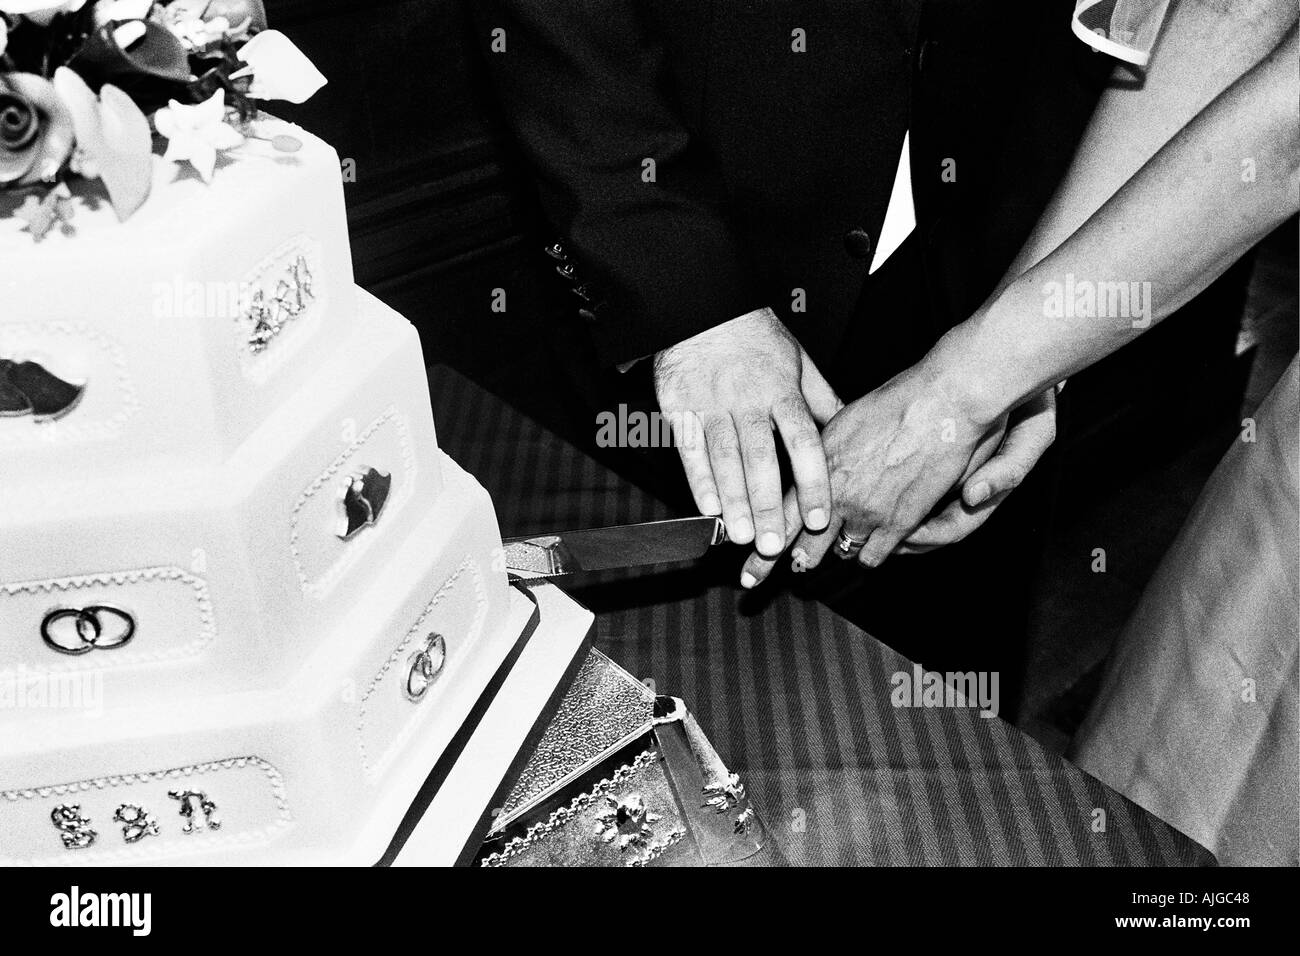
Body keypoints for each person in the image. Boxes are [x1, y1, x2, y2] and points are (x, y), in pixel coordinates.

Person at [471, 0, 1113, 713]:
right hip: (684, 286)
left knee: (942, 740)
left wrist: (1046, 337)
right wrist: (682, 291)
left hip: (995, 285)